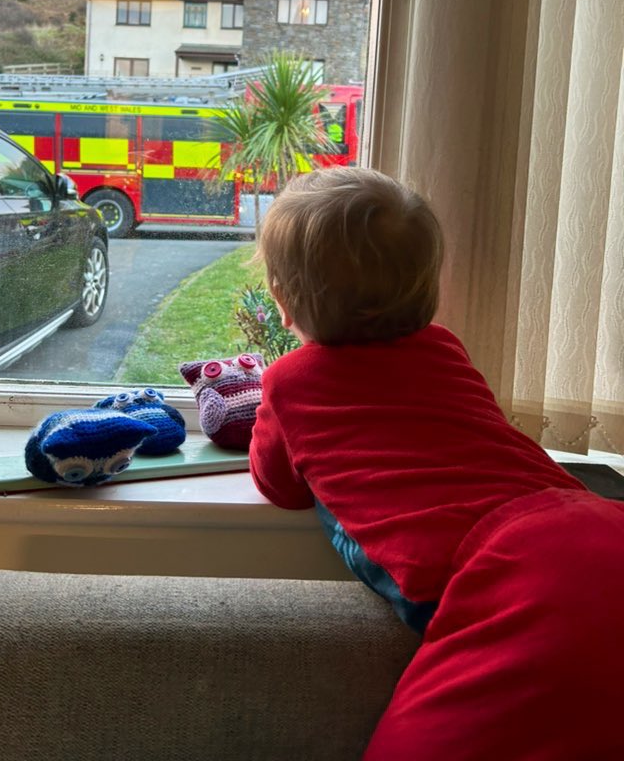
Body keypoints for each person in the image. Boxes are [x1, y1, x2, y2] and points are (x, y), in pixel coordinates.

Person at [249, 165, 624, 761]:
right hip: (591, 517)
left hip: (504, 569)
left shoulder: (290, 380)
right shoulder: (445, 346)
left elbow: (280, 486)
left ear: (282, 300)